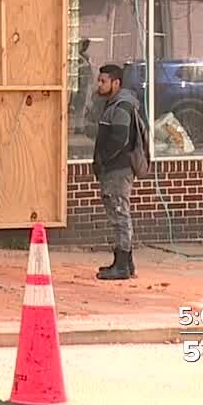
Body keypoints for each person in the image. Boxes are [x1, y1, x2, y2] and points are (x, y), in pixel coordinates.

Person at [91, 63, 148, 280]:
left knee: (119, 213)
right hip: (115, 168)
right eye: (99, 80)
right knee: (118, 213)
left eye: (103, 81)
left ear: (116, 83)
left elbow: (119, 138)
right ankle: (124, 262)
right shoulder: (114, 104)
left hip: (118, 169)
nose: (100, 84)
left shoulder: (121, 106)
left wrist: (104, 159)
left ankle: (123, 265)